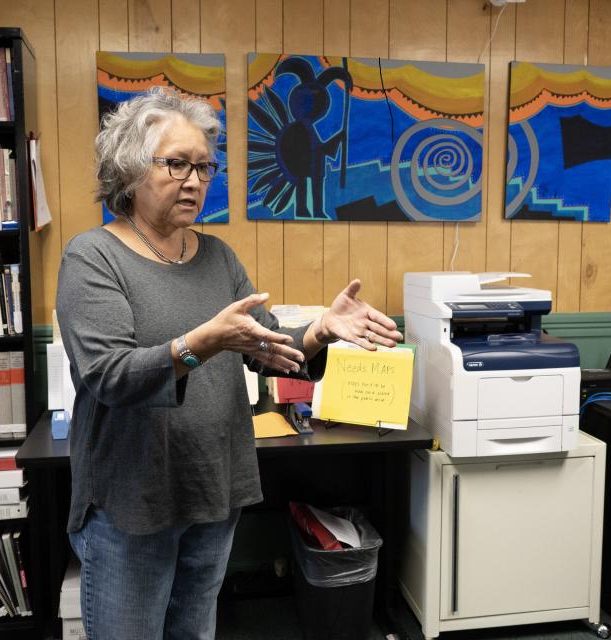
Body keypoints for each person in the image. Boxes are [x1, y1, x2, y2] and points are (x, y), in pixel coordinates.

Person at [56, 86, 402, 640]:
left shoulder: (217, 256)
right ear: (127, 168)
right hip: (133, 500)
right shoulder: (93, 256)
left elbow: (266, 348)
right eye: (176, 164)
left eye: (203, 167)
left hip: (214, 486)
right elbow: (108, 376)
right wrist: (202, 343)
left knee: (194, 633)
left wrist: (318, 329)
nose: (194, 181)